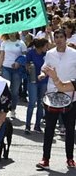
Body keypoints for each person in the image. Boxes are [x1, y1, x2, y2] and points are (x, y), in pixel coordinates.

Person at [36, 28, 76, 170]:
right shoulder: (50, 54)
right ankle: (45, 159)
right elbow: (44, 68)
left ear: (66, 38)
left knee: (70, 130)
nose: (58, 39)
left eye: (61, 37)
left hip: (70, 96)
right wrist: (42, 74)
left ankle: (70, 159)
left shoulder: (74, 54)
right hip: (52, 95)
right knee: (49, 129)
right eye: (56, 36)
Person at [0, 32, 27, 118]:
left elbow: (25, 56)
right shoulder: (4, 43)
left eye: (13, 32)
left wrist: (18, 63)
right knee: (6, 90)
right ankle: (4, 110)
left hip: (17, 70)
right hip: (6, 68)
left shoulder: (21, 43)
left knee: (15, 91)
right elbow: (1, 56)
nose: (11, 34)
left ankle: (13, 109)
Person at [25, 38, 49, 134]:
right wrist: (29, 68)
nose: (47, 48)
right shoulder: (31, 53)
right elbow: (27, 65)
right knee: (32, 102)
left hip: (44, 81)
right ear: (41, 46)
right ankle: (27, 126)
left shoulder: (47, 55)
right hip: (33, 81)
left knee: (41, 103)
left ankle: (37, 125)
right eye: (46, 46)